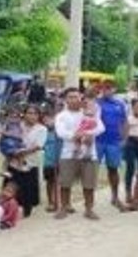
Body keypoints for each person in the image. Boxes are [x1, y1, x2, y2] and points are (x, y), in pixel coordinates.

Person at [54, 88, 104, 220]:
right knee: (65, 183)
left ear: (80, 98)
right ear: (65, 100)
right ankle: (64, 207)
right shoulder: (61, 116)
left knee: (89, 183)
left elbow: (100, 127)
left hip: (88, 153)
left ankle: (89, 209)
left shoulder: (89, 112)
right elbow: (60, 132)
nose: (73, 99)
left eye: (76, 97)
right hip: (68, 153)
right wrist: (76, 136)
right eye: (70, 97)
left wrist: (88, 134)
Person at [95, 80, 129, 210]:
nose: (107, 90)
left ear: (114, 89)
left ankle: (115, 197)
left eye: (110, 88)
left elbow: (124, 122)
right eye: (105, 88)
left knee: (113, 169)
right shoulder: (96, 103)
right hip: (98, 141)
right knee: (93, 169)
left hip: (114, 141)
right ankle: (90, 199)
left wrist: (124, 139)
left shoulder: (120, 104)